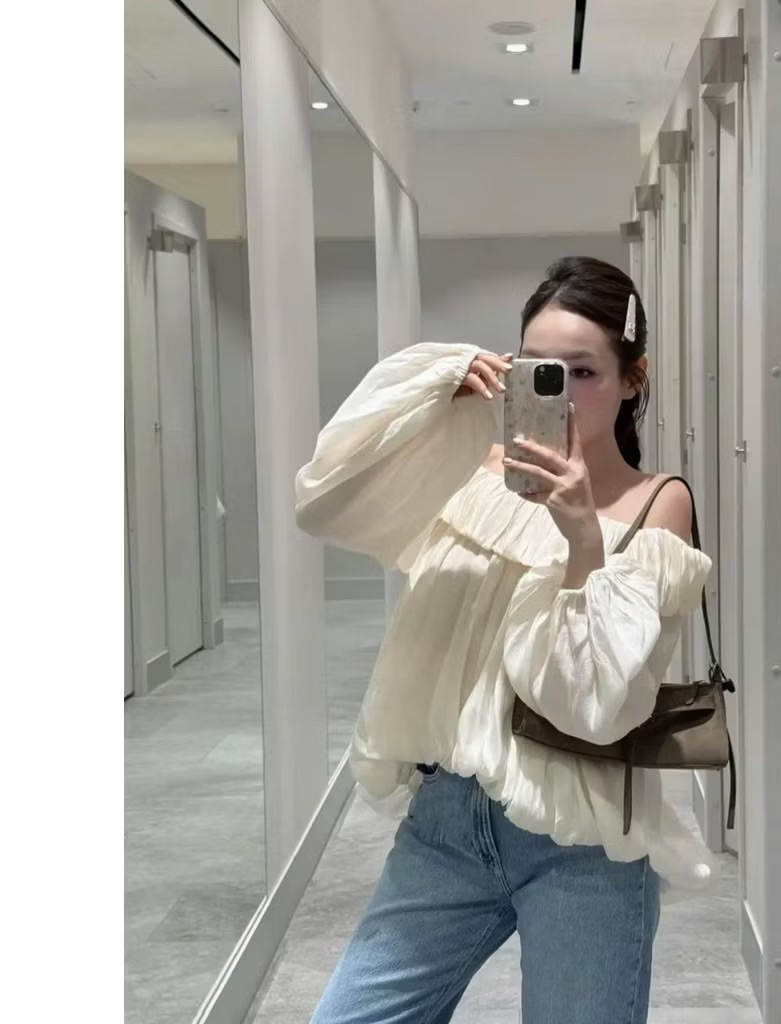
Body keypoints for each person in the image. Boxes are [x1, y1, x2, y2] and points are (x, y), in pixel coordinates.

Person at [295, 256, 715, 1024]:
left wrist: (582, 536)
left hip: (582, 843)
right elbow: (326, 500)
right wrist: (432, 392)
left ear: (632, 379)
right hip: (447, 824)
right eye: (536, 369)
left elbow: (591, 707)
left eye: (582, 372)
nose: (558, 392)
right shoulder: (470, 471)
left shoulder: (657, 506)